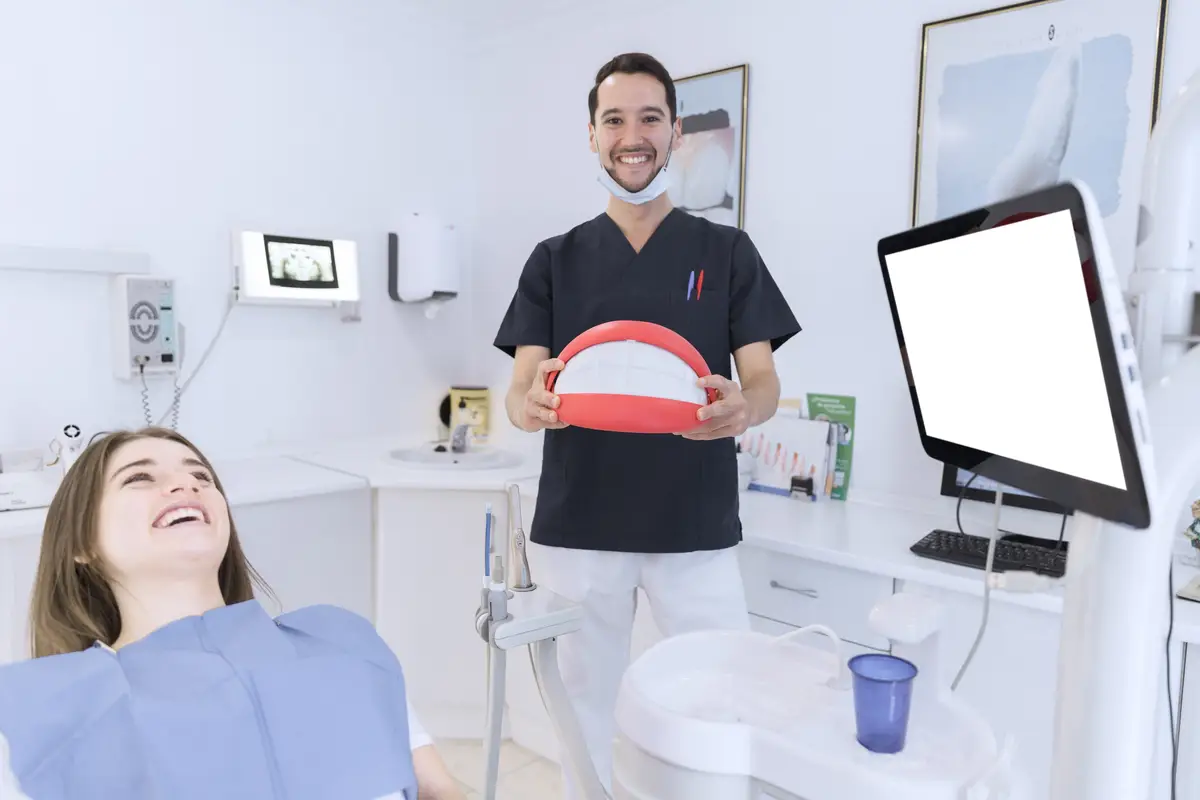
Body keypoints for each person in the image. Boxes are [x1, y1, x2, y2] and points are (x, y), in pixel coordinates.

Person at [493, 52, 801, 797]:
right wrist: (529, 404)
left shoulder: (725, 252)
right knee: (584, 703)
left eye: (649, 118)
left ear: (675, 133)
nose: (632, 135)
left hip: (691, 523)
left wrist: (742, 407)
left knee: (721, 694)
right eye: (614, 119)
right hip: (582, 521)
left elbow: (761, 382)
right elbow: (519, 391)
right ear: (593, 136)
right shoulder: (553, 260)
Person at [0, 426, 465, 800]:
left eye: (202, 477)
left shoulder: (343, 641)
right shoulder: (47, 711)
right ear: (81, 543)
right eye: (139, 477)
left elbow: (438, 790)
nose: (187, 484)